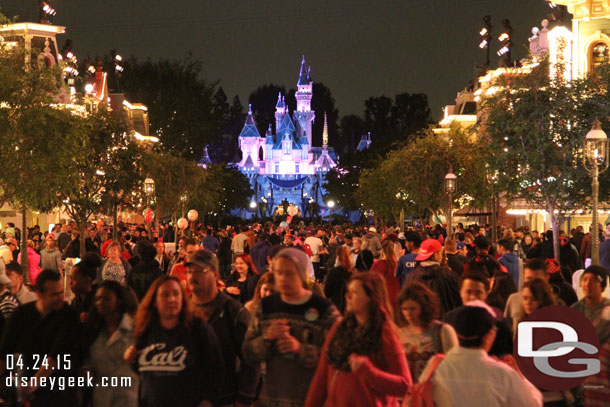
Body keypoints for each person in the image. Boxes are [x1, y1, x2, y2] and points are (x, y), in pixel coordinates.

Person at [242, 247, 340, 407]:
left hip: (311, 399)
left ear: (302, 274)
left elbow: (338, 357)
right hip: (270, 399)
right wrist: (266, 339)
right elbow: (247, 353)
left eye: (289, 273)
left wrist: (301, 350)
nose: (283, 279)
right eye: (279, 273)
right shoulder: (265, 307)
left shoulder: (324, 310)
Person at [305, 273, 412, 407]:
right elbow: (321, 376)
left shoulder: (385, 334)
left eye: (354, 292)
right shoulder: (339, 328)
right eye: (348, 291)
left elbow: (404, 385)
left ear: (371, 297)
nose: (347, 296)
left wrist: (368, 371)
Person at [124, 276, 223, 407]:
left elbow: (217, 369)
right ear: (154, 301)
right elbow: (143, 371)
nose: (171, 299)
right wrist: (131, 358)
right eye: (165, 295)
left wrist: (208, 400)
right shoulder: (145, 330)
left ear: (183, 298)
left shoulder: (198, 329)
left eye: (176, 294)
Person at [421, 306, 542, 407]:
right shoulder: (502, 373)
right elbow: (533, 404)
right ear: (490, 335)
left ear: (455, 333)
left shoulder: (436, 366)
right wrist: (519, 375)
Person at [185, 250, 261, 407]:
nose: (192, 276)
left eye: (199, 271)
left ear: (215, 275)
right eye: (189, 271)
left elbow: (251, 360)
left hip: (224, 398)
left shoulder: (232, 311)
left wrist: (244, 398)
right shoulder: (181, 309)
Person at [0, 270, 80, 406]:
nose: (61, 297)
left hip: (61, 387)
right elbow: (5, 352)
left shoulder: (68, 315)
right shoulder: (21, 314)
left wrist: (31, 387)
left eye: (61, 292)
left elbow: (55, 357)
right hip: (30, 382)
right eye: (55, 294)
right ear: (39, 293)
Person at [84, 281, 139, 407]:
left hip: (128, 398)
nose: (100, 303)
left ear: (118, 301)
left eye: (106, 299)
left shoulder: (134, 329)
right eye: (97, 299)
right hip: (101, 398)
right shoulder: (94, 332)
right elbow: (89, 362)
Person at [396, 281, 457, 382]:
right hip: (406, 392)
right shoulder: (399, 333)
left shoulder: (442, 330)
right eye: (404, 309)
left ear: (424, 308)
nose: (408, 314)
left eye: (412, 309)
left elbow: (454, 366)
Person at [405, 239, 461, 318]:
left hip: (420, 325)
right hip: (444, 324)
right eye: (441, 253)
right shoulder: (449, 276)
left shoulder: (411, 277)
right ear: (436, 255)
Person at [324, 245, 354, 313]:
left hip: (336, 305)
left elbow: (327, 292)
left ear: (337, 256)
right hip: (349, 306)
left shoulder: (334, 272)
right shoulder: (352, 273)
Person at [370, 240, 400, 306]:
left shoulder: (379, 264)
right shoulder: (398, 264)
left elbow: (371, 282)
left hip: (384, 299)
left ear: (382, 250)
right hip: (398, 297)